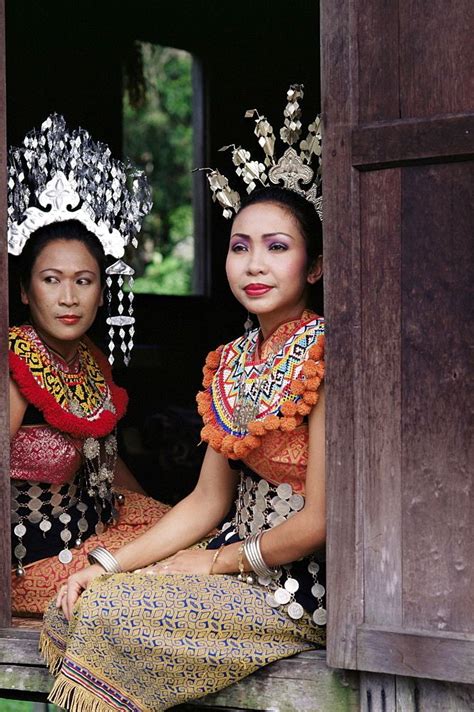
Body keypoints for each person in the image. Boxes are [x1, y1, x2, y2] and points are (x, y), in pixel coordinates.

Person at [40, 85, 326, 711]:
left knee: (114, 621)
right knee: (79, 601)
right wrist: (110, 564)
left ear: (314, 267)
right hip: (231, 556)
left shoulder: (330, 359)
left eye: (277, 247)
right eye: (240, 245)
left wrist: (217, 565)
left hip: (299, 587)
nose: (255, 263)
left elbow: (321, 522)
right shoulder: (231, 362)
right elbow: (207, 498)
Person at [8, 116, 169, 615]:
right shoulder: (14, 362)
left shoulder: (90, 361)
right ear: (23, 290)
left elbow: (103, 461)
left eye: (84, 281)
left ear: (104, 292)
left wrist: (159, 522)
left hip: (93, 531)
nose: (68, 297)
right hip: (30, 561)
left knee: (190, 541)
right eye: (51, 279)